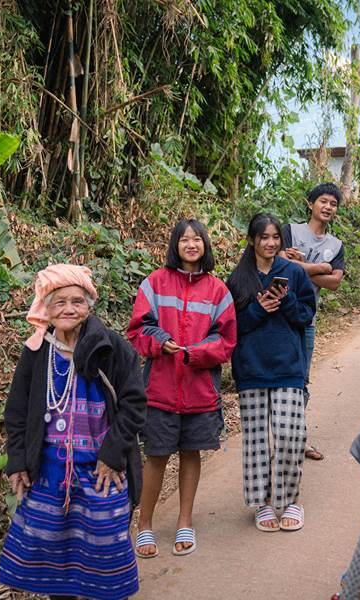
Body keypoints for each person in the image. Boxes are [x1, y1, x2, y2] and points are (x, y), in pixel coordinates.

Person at [0, 264, 146, 600]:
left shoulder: (113, 349)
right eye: (59, 301)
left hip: (101, 472)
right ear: (45, 308)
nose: (68, 309)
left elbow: (134, 405)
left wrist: (111, 455)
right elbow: (17, 411)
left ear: (89, 305)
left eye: (76, 301)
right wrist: (18, 461)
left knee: (106, 556)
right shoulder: (37, 352)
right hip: (48, 473)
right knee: (55, 562)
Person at [126, 218, 236, 558]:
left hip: (200, 390)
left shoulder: (218, 290)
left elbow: (226, 340)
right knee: (156, 456)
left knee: (191, 454)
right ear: (175, 245)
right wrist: (161, 342)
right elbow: (138, 330)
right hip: (159, 390)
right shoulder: (155, 283)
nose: (191, 244)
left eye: (197, 239)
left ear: (205, 245)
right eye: (184, 239)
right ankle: (144, 525)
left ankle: (184, 521)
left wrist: (195, 354)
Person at [226, 213, 316, 532]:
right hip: (251, 366)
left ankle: (289, 500)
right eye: (263, 237)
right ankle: (262, 503)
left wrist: (287, 299)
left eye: (275, 237)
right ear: (252, 240)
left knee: (291, 434)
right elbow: (228, 328)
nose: (270, 243)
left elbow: (306, 316)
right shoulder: (237, 279)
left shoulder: (293, 273)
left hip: (288, 366)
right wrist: (256, 310)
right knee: (255, 440)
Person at [281, 182, 346, 461]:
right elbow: (278, 263)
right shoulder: (290, 231)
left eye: (333, 203)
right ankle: (279, 435)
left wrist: (299, 266)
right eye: (323, 201)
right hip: (277, 315)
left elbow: (335, 283)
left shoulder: (336, 245)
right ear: (310, 204)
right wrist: (320, 267)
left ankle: (300, 437)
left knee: (302, 378)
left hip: (307, 319)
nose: (328, 207)